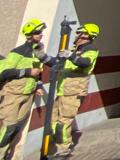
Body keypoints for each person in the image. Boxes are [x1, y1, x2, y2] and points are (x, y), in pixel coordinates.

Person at [0, 19, 53, 159]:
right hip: (13, 95)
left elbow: (39, 70)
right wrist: (27, 72)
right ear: (29, 35)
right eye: (37, 32)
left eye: (41, 32)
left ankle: (5, 155)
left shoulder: (37, 51)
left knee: (17, 128)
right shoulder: (17, 52)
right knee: (8, 128)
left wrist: (39, 85)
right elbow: (3, 73)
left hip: (28, 95)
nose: (41, 34)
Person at [50, 24, 100, 157]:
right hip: (63, 91)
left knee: (64, 122)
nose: (76, 34)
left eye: (79, 32)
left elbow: (84, 62)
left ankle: (63, 150)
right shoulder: (74, 49)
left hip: (74, 92)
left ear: (86, 35)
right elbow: (58, 64)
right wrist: (44, 57)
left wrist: (70, 55)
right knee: (54, 120)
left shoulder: (90, 50)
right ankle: (62, 143)